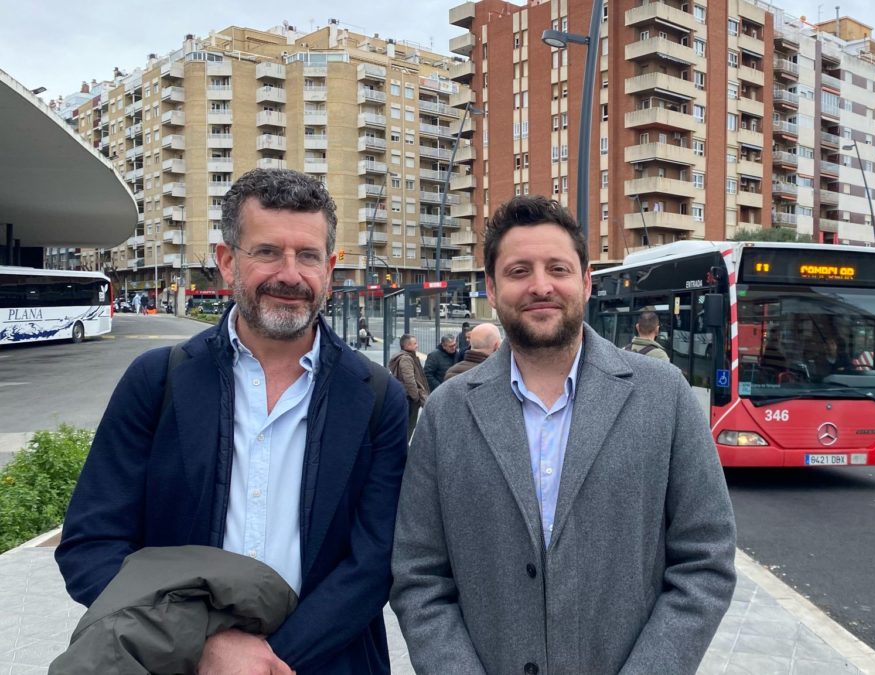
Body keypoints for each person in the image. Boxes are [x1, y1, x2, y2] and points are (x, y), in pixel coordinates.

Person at [56, 168, 409, 674]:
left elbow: (373, 563)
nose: (290, 274)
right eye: (267, 252)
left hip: (329, 662)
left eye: (307, 255)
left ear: (329, 269)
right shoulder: (157, 383)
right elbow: (91, 546)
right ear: (226, 262)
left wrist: (265, 662)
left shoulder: (378, 399)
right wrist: (201, 642)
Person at [391, 195, 736, 674]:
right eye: (518, 271)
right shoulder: (447, 413)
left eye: (558, 268)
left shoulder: (664, 396)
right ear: (491, 287)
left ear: (586, 281)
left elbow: (706, 562)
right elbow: (418, 576)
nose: (540, 286)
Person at [388, 333, 429, 441]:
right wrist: (415, 397)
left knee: (407, 426)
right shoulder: (406, 359)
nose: (417, 345)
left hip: (407, 396)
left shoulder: (409, 357)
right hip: (409, 398)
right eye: (414, 343)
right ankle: (404, 451)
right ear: (407, 346)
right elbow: (409, 380)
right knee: (409, 426)